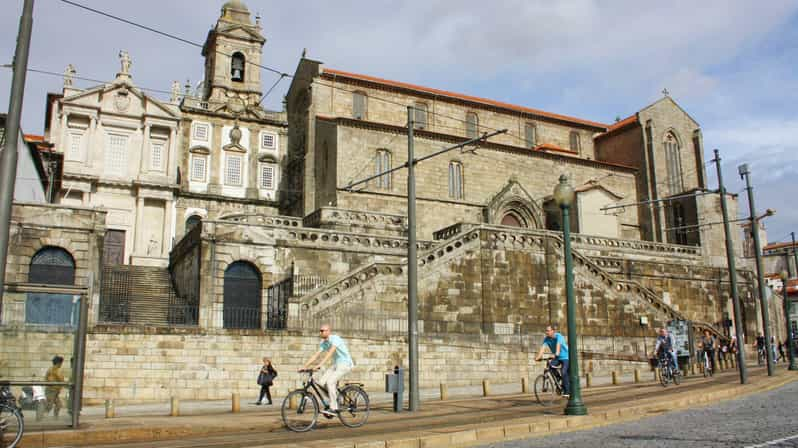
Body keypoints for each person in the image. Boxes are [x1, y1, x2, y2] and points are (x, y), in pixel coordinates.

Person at [301, 324, 354, 417]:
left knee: (330, 382)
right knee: (321, 382)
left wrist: (320, 365)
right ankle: (334, 398)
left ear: (329, 331)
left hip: (345, 364)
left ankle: (334, 408)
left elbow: (330, 353)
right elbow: (316, 355)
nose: (321, 332)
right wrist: (304, 366)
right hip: (335, 364)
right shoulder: (324, 343)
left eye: (323, 330)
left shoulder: (335, 339)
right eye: (320, 330)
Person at [534, 325, 570, 397]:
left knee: (563, 372)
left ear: (553, 331)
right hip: (557, 357)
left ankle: (567, 391)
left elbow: (558, 346)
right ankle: (558, 378)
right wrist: (538, 357)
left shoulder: (558, 336)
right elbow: (542, 348)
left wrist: (555, 354)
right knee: (550, 366)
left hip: (566, 357)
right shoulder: (546, 339)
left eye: (548, 330)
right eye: (546, 330)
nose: (546, 332)